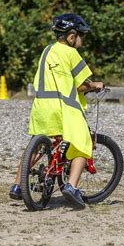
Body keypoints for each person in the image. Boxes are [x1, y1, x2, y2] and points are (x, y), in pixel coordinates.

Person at [9, 13, 104, 209]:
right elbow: (80, 85)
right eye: (81, 36)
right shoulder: (71, 54)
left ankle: (17, 186)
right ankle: (71, 186)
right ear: (71, 37)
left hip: (42, 107)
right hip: (64, 108)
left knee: (33, 147)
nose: (82, 40)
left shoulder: (47, 51)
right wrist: (95, 85)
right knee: (82, 143)